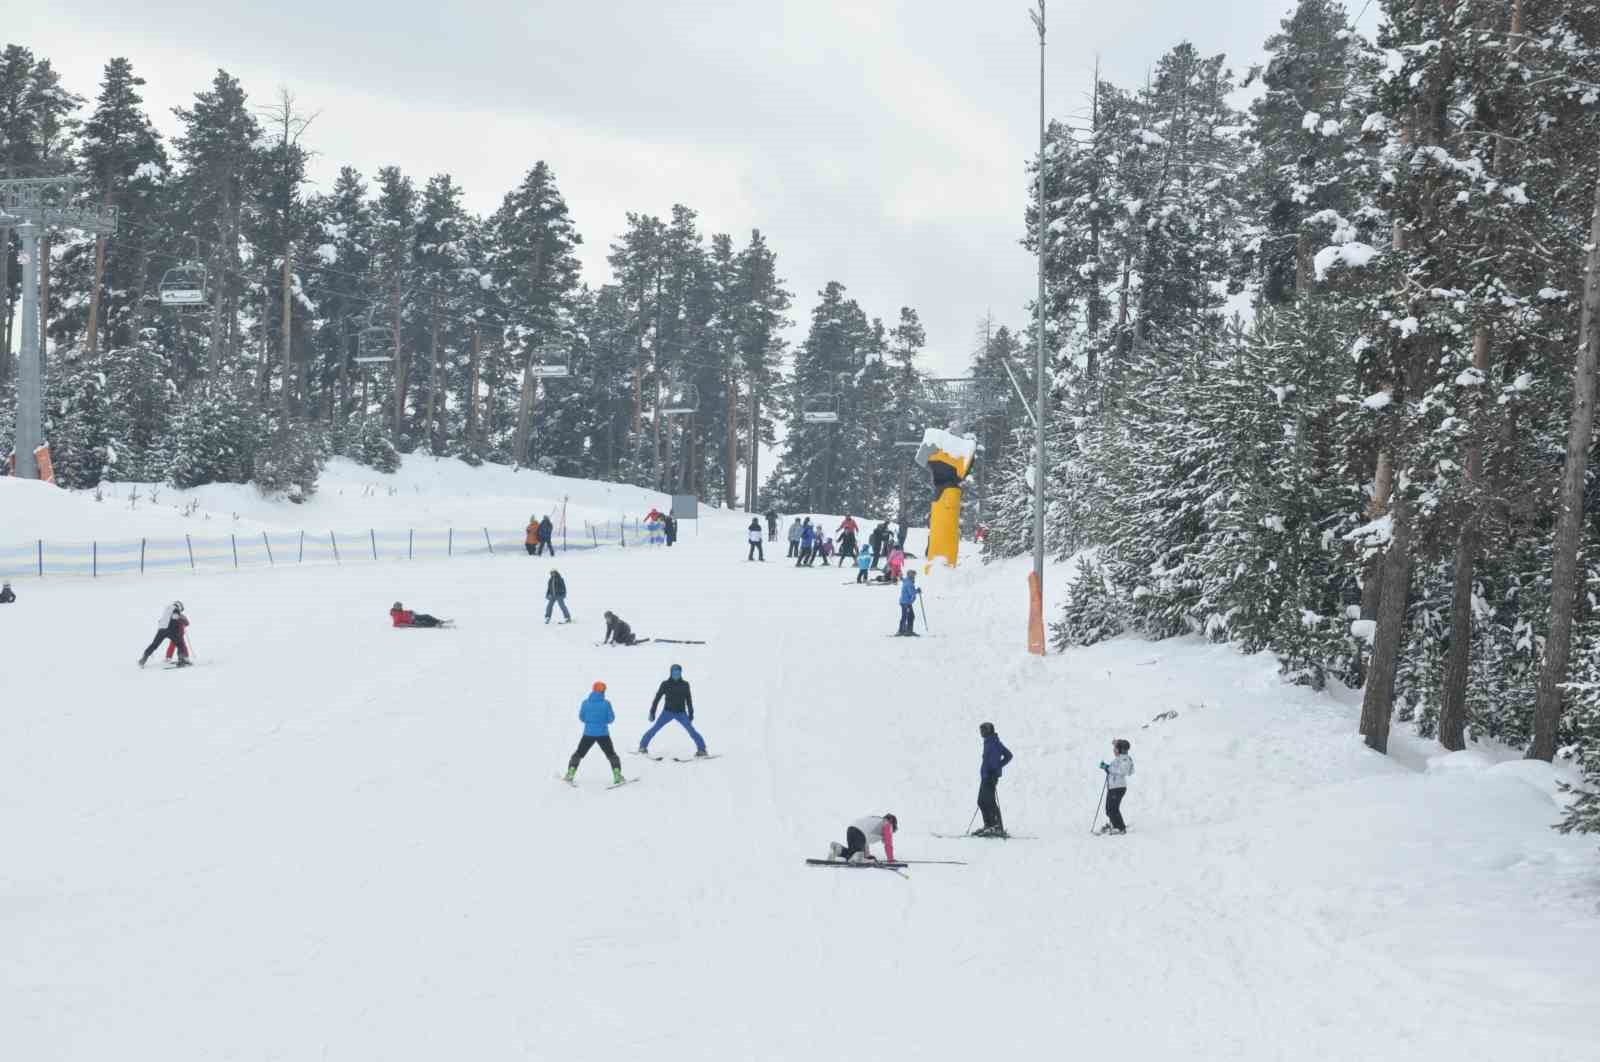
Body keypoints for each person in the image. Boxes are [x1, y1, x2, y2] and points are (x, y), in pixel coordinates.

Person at [638, 664, 708, 757]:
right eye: (674, 672)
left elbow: (689, 700)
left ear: (681, 673)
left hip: (681, 713)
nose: (676, 674)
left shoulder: (685, 684)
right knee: (655, 728)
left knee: (692, 731)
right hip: (667, 712)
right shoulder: (665, 684)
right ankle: (642, 747)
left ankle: (702, 750)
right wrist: (652, 712)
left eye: (678, 672)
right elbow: (657, 698)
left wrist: (691, 713)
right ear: (670, 673)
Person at [566, 681, 625, 785]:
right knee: (611, 755)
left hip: (588, 734)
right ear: (603, 691)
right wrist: (602, 721)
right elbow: (611, 719)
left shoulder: (585, 702)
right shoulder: (606, 703)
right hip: (603, 734)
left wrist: (590, 722)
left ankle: (570, 773)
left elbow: (581, 717)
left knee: (579, 753)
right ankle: (617, 775)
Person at [975, 722, 1014, 837]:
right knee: (981, 801)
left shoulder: (994, 742)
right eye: (980, 730)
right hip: (985, 777)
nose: (981, 732)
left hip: (991, 777)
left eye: (983, 730)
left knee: (989, 802)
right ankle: (989, 825)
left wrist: (997, 768)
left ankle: (996, 827)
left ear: (989, 730)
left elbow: (1009, 755)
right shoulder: (988, 742)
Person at [826, 813, 899, 864]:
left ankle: (838, 849)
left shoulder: (875, 819)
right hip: (859, 834)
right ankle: (858, 857)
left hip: (851, 829)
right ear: (893, 823)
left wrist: (867, 856)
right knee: (858, 857)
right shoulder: (888, 824)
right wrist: (890, 860)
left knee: (852, 853)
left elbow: (866, 839)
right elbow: (888, 844)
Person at [138, 601, 191, 667]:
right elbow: (175, 618)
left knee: (154, 644)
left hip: (161, 630)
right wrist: (180, 621)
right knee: (180, 644)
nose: (181, 610)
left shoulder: (167, 609)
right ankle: (181, 660)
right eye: (181, 609)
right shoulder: (176, 609)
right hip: (170, 629)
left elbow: (162, 620)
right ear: (179, 606)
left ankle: (144, 658)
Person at [1099, 739, 1135, 834]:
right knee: (1109, 809)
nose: (1114, 750)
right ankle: (1115, 824)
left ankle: (1120, 828)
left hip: (1118, 788)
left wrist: (1108, 768)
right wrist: (1106, 768)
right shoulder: (1120, 758)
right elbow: (1115, 770)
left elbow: (1125, 771)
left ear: (1120, 750)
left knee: (1113, 809)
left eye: (1115, 749)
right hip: (1113, 787)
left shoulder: (1124, 759)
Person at [895, 570, 920, 636]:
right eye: (914, 575)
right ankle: (902, 631)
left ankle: (906, 630)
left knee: (909, 616)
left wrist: (901, 577)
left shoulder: (907, 580)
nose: (914, 576)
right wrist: (917, 591)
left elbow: (903, 579)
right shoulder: (909, 583)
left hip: (905, 602)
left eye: (915, 575)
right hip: (906, 603)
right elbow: (911, 593)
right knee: (908, 616)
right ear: (910, 575)